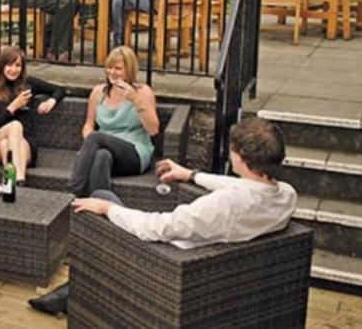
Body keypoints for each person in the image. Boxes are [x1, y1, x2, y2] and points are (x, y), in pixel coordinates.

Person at [29, 116, 297, 315]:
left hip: (166, 260)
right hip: (209, 267)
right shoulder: (285, 196)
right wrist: (191, 175)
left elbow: (155, 228)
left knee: (102, 196)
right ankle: (68, 292)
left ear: (240, 157)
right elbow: (242, 187)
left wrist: (110, 209)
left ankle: (75, 292)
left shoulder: (224, 205)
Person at [66, 46, 159, 197]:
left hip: (134, 153)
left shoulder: (143, 92)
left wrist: (135, 99)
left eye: (118, 68)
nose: (112, 72)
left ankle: (71, 192)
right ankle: (102, 204)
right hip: (104, 150)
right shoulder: (98, 92)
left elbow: (153, 130)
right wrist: (89, 149)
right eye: (109, 67)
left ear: (130, 70)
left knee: (96, 138)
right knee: (101, 156)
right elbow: (88, 125)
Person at [0, 46, 65, 184]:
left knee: (6, 146)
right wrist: (13, 106)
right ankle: (20, 179)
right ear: (2, 66)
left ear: (22, 68)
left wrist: (51, 101)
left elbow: (59, 89)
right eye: (9, 65)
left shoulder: (29, 84)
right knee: (15, 126)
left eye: (18, 65)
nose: (13, 69)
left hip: (25, 143)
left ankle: (13, 182)